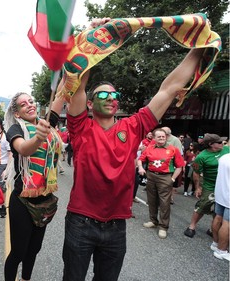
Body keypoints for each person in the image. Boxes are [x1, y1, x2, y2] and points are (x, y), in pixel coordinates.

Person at [61, 16, 205, 280]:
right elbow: (77, 82)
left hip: (116, 226)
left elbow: (169, 89)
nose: (112, 98)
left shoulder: (134, 126)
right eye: (104, 94)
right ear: (90, 104)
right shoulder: (80, 127)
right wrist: (92, 36)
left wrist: (200, 46)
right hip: (81, 222)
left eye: (115, 95)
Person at [3, 92, 63, 281]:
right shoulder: (15, 128)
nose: (29, 105)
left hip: (45, 200)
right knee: (18, 252)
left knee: (34, 250)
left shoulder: (46, 124)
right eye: (23, 104)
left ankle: (26, 279)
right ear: (17, 113)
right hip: (22, 201)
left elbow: (60, 94)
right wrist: (38, 138)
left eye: (31, 101)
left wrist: (70, 72)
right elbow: (23, 148)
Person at [137, 128, 184, 239]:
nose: (162, 138)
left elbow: (180, 166)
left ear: (166, 137)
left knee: (164, 203)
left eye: (163, 136)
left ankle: (163, 227)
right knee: (151, 200)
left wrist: (172, 179)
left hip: (165, 177)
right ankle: (153, 220)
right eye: (159, 136)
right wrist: (140, 167)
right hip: (151, 176)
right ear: (154, 138)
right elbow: (140, 159)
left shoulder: (173, 149)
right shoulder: (149, 148)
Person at [184, 134, 229, 238]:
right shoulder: (201, 157)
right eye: (219, 142)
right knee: (203, 205)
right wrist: (198, 187)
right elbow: (196, 173)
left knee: (220, 208)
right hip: (210, 185)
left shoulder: (227, 150)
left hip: (225, 185)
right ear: (211, 144)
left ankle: (213, 229)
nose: (222, 143)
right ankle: (192, 226)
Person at [210, 153, 230, 261]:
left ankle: (215, 243)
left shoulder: (224, 157)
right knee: (227, 223)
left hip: (220, 193)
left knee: (218, 217)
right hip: (228, 195)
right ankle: (221, 250)